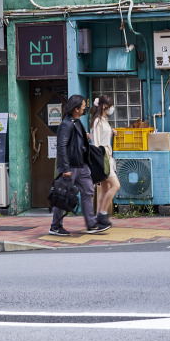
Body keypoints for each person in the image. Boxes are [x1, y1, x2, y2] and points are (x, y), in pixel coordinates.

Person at [49, 94, 111, 236]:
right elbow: (62, 146)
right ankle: (55, 226)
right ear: (76, 109)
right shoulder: (67, 124)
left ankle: (91, 224)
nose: (85, 108)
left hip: (81, 165)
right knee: (62, 196)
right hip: (70, 166)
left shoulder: (76, 121)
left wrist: (85, 137)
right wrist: (65, 168)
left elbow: (75, 141)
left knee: (88, 190)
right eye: (83, 106)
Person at [89, 95, 120, 227]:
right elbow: (96, 143)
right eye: (110, 105)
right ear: (103, 106)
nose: (112, 108)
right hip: (103, 159)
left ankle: (98, 216)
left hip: (107, 157)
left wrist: (111, 132)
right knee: (115, 185)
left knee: (105, 188)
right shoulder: (97, 121)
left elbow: (102, 137)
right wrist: (100, 162)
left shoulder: (103, 120)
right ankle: (102, 213)